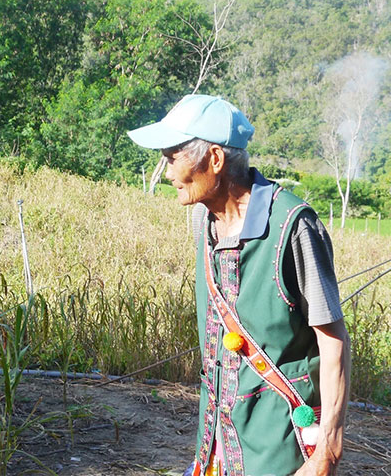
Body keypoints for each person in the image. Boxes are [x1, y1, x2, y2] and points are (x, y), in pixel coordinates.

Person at [128, 95, 350, 476]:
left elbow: (333, 341)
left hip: (281, 449)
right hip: (217, 445)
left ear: (214, 159)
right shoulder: (203, 221)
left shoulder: (293, 228)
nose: (167, 174)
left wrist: (326, 451)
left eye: (172, 158)